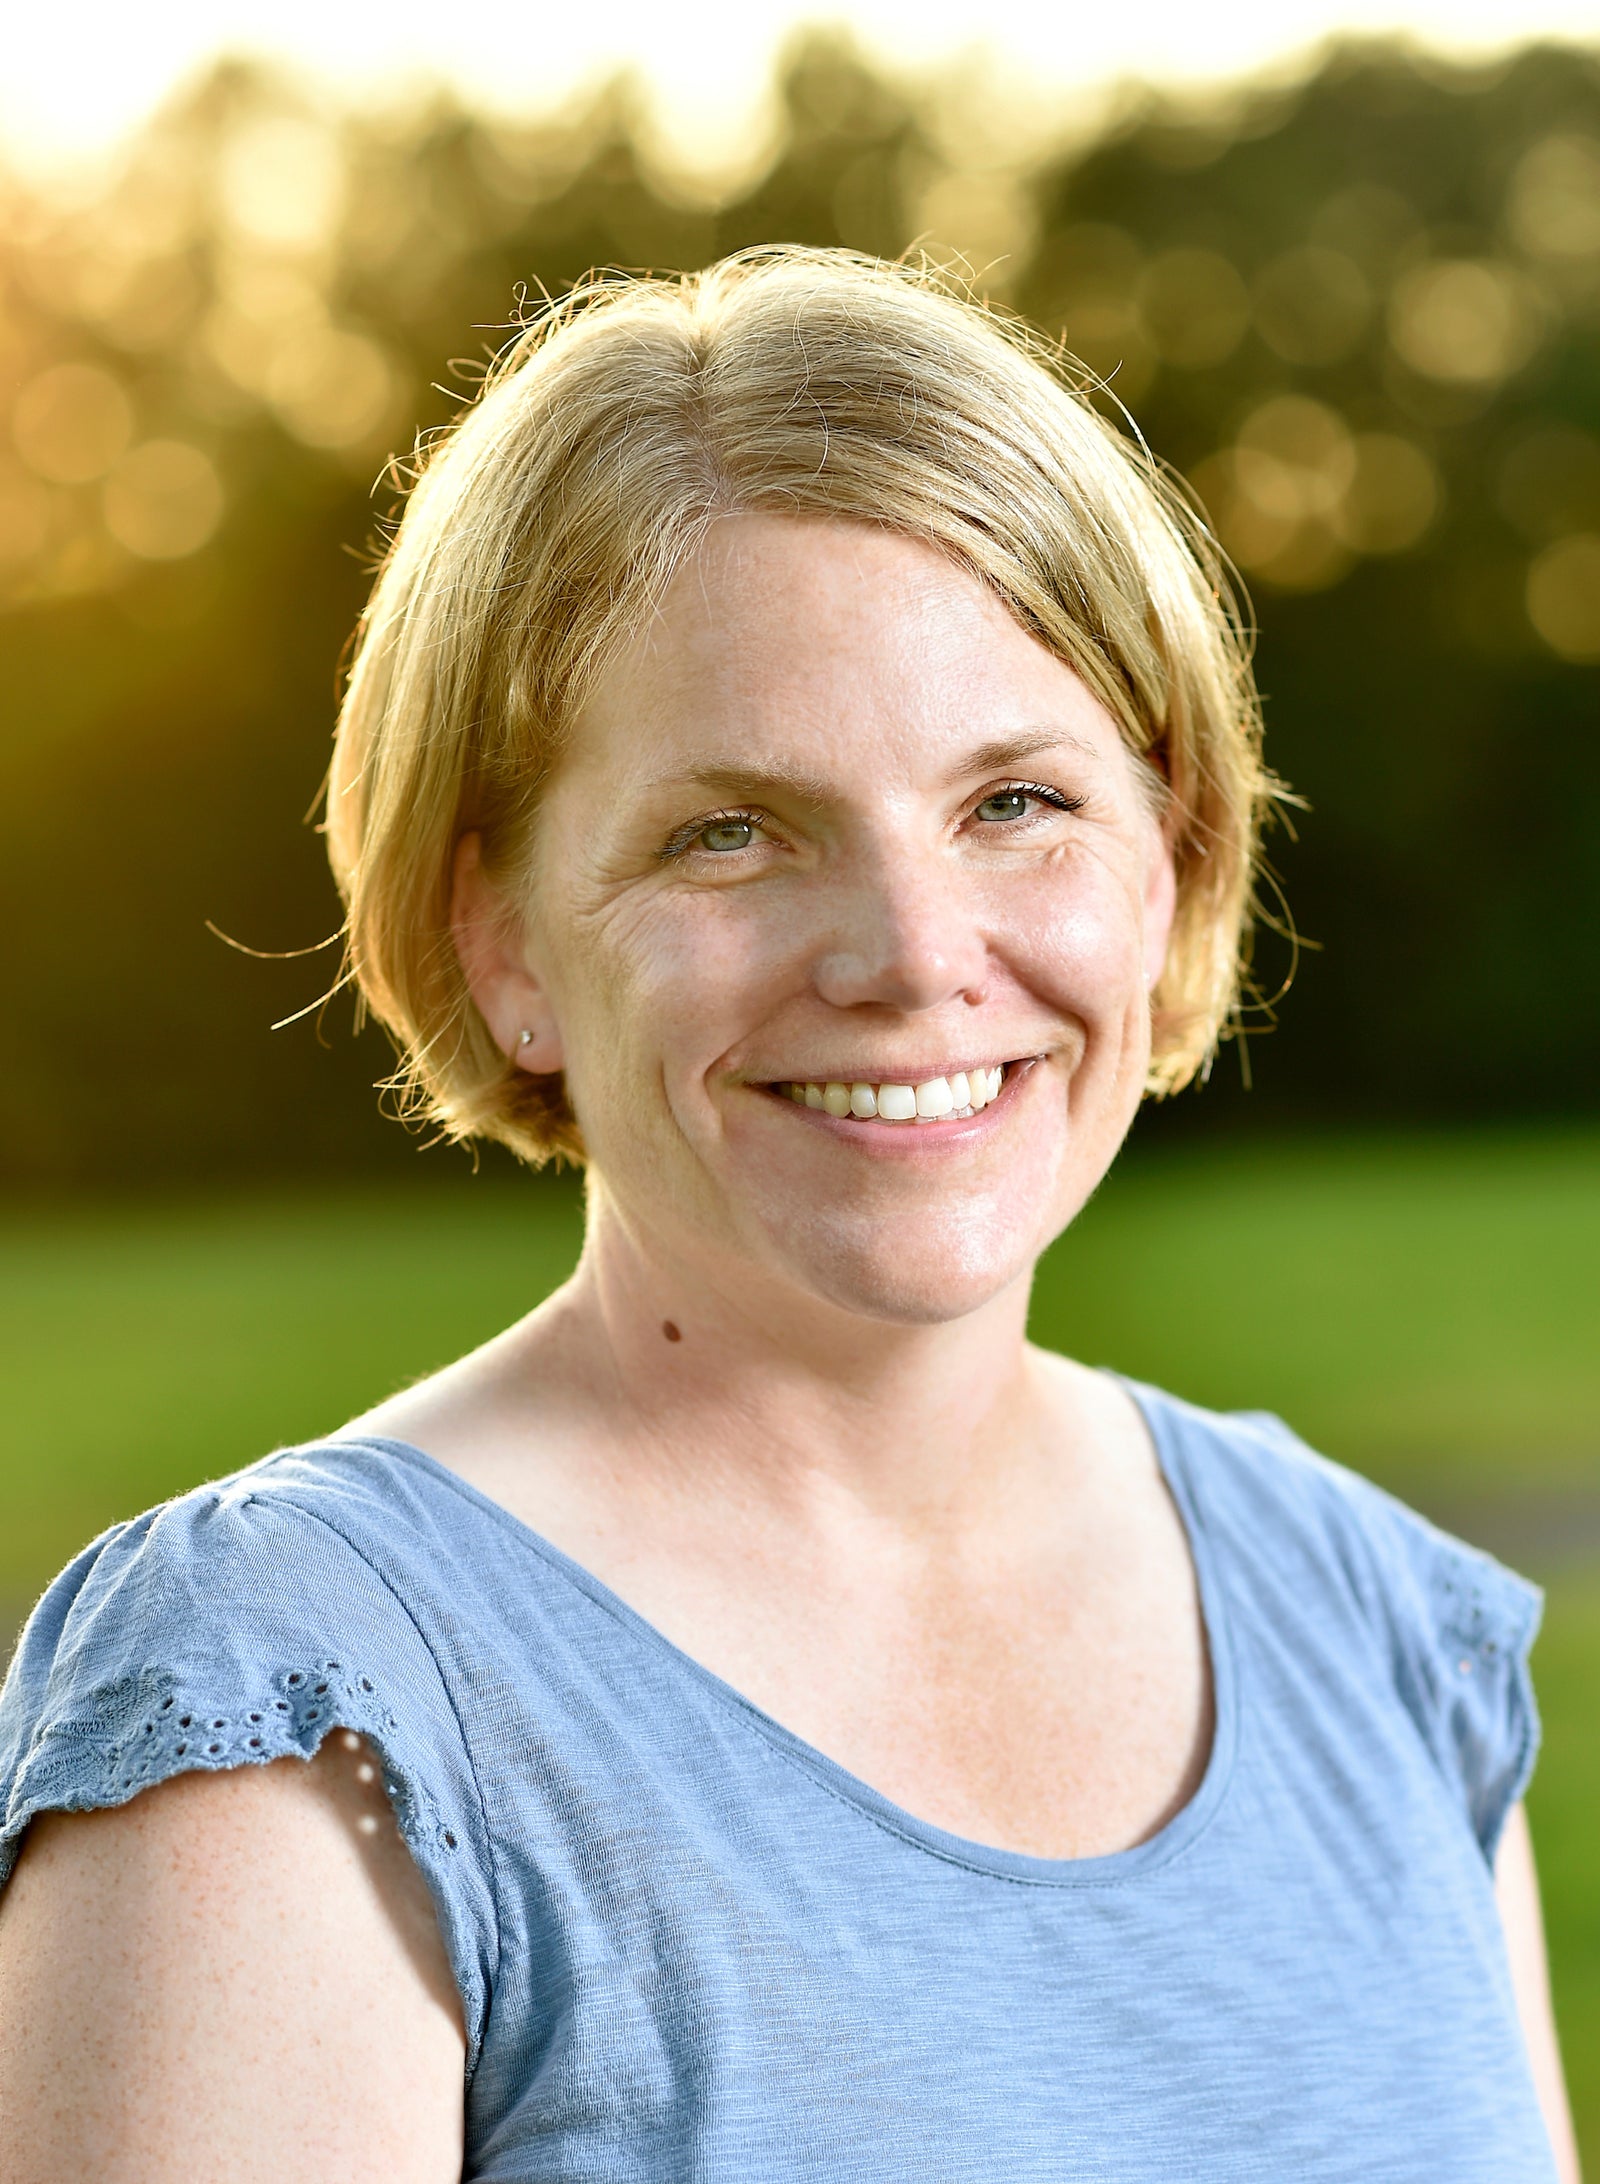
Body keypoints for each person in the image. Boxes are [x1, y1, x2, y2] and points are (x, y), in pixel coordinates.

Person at [0, 248, 1579, 2183]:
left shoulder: (1372, 1627)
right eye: (729, 831)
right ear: (498, 942)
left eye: (1015, 802)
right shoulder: (299, 1699)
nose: (915, 959)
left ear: (1167, 859)